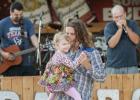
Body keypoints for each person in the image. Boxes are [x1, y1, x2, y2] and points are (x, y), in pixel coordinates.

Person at [53, 19, 106, 100]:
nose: (68, 37)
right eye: (67, 33)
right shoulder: (62, 52)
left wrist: (88, 66)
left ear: (80, 35)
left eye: (72, 34)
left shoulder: (92, 52)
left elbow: (102, 77)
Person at [39, 32, 85, 100]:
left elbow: (48, 66)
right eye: (64, 44)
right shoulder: (62, 56)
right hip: (62, 82)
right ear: (57, 45)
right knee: (77, 96)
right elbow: (72, 66)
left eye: (68, 43)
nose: (67, 46)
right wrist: (80, 59)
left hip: (54, 81)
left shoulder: (56, 54)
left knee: (51, 97)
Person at [0, 2, 39, 76]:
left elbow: (33, 36)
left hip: (26, 63)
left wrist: (37, 45)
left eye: (21, 14)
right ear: (10, 12)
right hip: (10, 64)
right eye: (16, 15)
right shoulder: (2, 24)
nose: (19, 17)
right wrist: (3, 54)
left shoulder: (27, 22)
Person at [104, 5, 140, 74]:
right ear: (113, 18)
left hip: (131, 66)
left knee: (134, 85)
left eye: (121, 16)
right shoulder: (109, 26)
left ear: (125, 14)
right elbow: (111, 44)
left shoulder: (132, 24)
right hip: (113, 66)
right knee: (112, 85)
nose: (119, 19)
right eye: (116, 17)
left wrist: (126, 27)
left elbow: (136, 40)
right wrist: (120, 29)